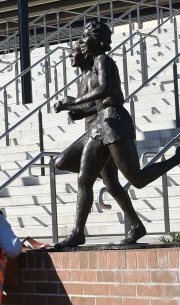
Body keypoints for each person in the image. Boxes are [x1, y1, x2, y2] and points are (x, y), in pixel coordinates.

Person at [54, 20, 180, 247]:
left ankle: (176, 158)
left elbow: (104, 89)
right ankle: (78, 232)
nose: (82, 42)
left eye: (85, 37)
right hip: (102, 123)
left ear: (98, 39)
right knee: (85, 178)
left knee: (137, 179)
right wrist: (75, 109)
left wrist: (73, 102)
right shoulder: (93, 66)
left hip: (115, 122)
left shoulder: (104, 60)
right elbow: (99, 100)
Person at [54, 41, 146, 246]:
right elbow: (95, 106)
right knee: (110, 184)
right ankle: (136, 225)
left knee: (91, 179)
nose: (71, 55)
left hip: (104, 130)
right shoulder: (87, 75)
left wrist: (73, 103)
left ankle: (79, 231)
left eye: (74, 51)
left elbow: (105, 98)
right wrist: (77, 112)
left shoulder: (99, 66)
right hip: (98, 130)